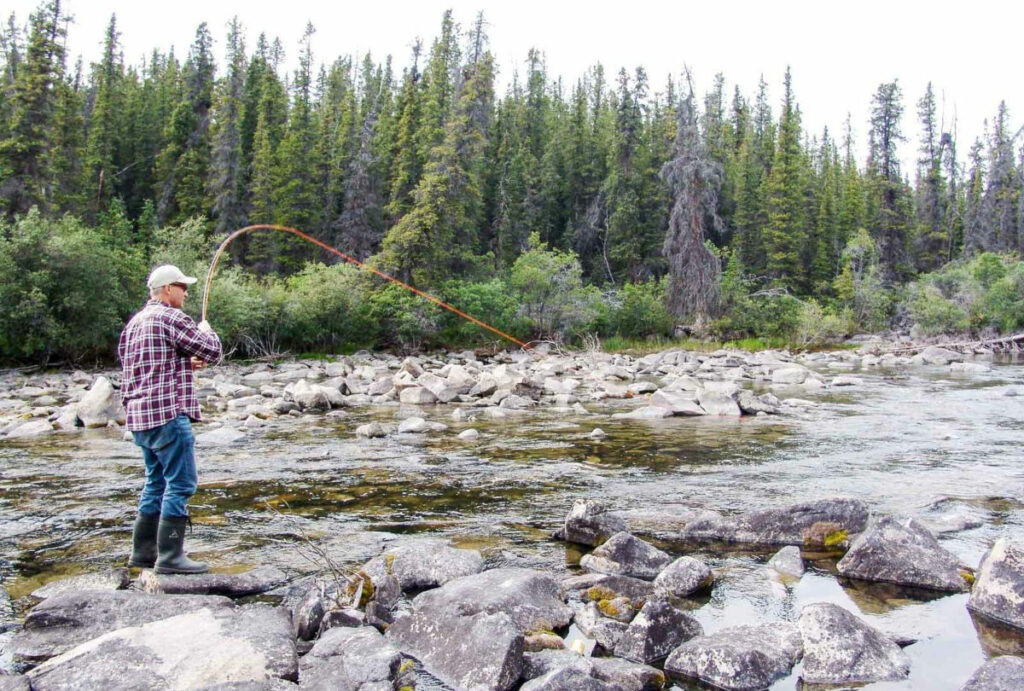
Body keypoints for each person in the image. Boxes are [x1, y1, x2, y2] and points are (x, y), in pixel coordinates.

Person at [118, 264, 222, 574]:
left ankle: (142, 554)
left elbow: (140, 366)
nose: (186, 291)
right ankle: (171, 557)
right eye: (181, 286)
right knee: (181, 485)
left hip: (140, 419)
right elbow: (213, 352)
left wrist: (184, 364)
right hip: (167, 415)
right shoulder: (171, 317)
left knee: (155, 483)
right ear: (166, 289)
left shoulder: (134, 323)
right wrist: (206, 331)